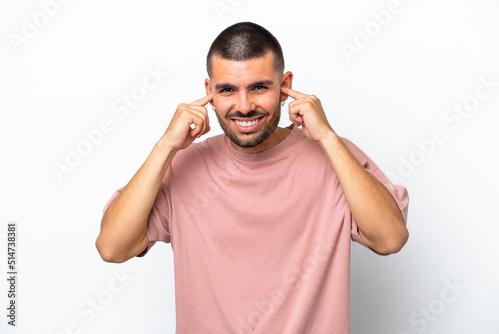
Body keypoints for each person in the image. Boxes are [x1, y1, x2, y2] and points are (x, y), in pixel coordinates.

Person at [96, 21, 409, 334]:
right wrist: (165, 146)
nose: (244, 107)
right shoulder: (183, 165)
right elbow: (112, 248)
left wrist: (327, 136)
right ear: (209, 92)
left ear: (285, 85)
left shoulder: (333, 158)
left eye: (259, 87)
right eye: (228, 90)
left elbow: (389, 239)